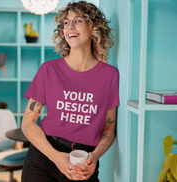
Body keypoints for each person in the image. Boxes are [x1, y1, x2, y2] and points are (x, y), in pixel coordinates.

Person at [21, 1, 119, 181]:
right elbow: (28, 122)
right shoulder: (48, 70)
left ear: (93, 27)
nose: (70, 26)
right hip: (44, 158)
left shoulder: (110, 76)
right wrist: (56, 157)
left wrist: (95, 157)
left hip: (83, 162)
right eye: (66, 22)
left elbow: (109, 127)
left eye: (78, 21)